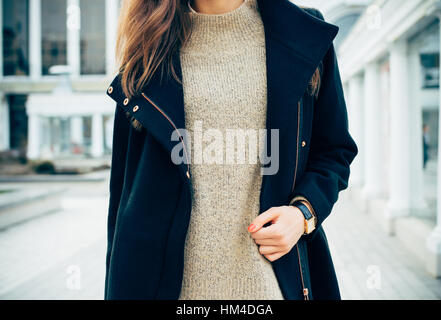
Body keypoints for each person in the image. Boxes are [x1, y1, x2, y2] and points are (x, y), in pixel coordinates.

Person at [105, 0, 358, 300]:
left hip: (270, 287)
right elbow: (124, 191)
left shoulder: (302, 32)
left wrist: (302, 215)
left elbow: (333, 151)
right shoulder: (148, 42)